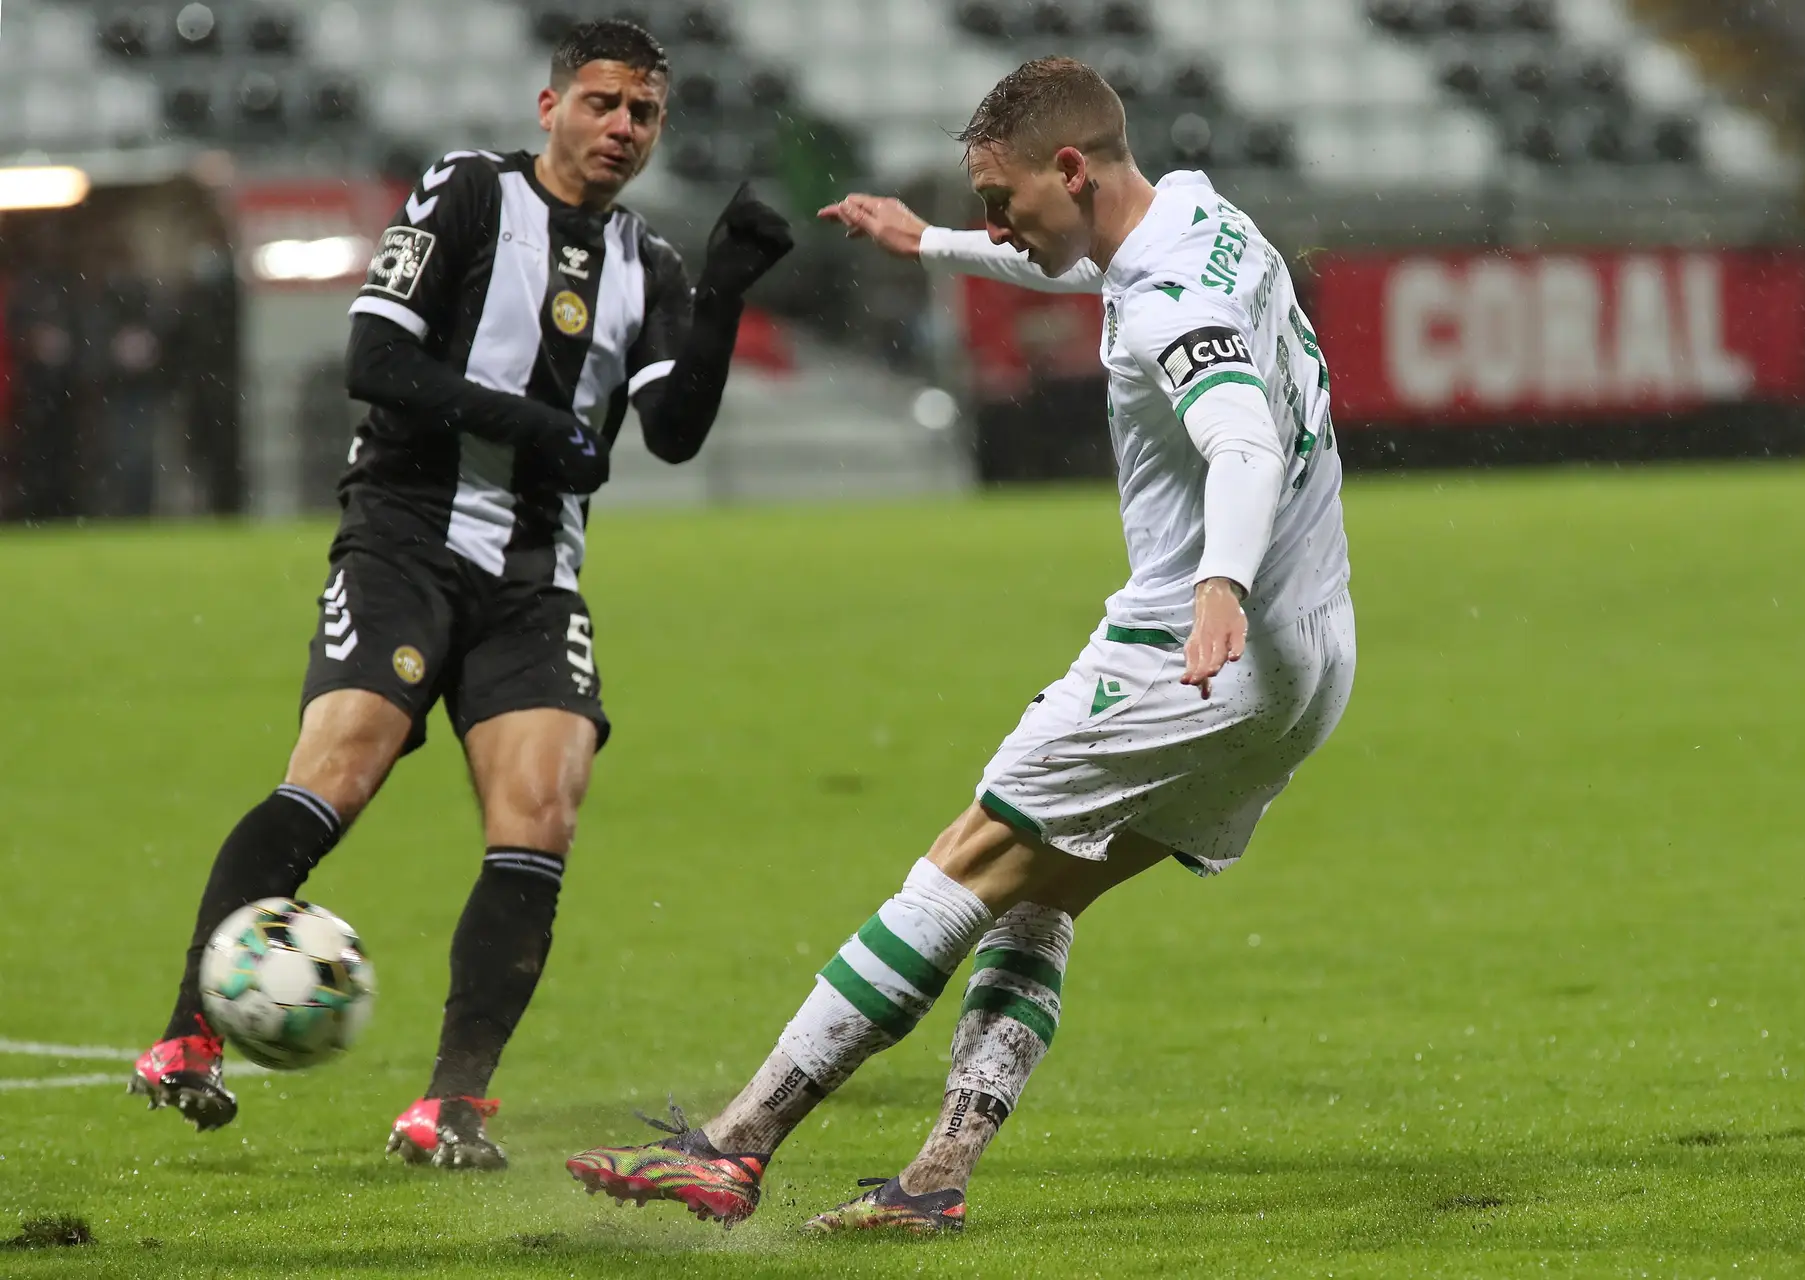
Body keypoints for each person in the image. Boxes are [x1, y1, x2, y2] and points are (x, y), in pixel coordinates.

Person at [563, 55, 1354, 1233]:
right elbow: (1074, 258)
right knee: (1040, 889)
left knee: (958, 869)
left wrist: (1219, 584)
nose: (998, 224)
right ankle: (935, 1174)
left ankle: (735, 1144)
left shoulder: (1169, 301)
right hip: (1311, 659)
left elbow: (1238, 438)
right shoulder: (1197, 214)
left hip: (1192, 648)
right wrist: (930, 241)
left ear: (1071, 167)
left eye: (1000, 200)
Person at [128, 18, 793, 1169]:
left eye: (643, 112)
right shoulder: (471, 193)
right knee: (340, 765)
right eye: (601, 102)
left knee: (542, 811)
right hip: (404, 538)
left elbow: (675, 431)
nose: (621, 127)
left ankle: (452, 1103)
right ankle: (189, 1031)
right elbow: (376, 359)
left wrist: (725, 290)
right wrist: (532, 423)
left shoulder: (648, 261)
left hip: (535, 574)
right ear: (551, 106)